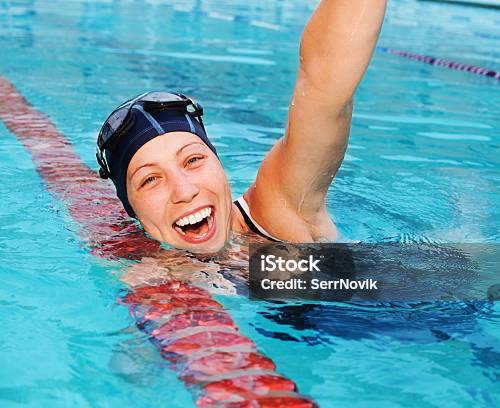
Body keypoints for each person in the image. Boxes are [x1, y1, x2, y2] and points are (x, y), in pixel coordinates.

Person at [96, 0, 388, 254]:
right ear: (131, 210)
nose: (184, 191)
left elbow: (324, 86)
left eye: (194, 160)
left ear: (219, 164)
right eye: (150, 180)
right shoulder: (140, 269)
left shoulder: (279, 214)